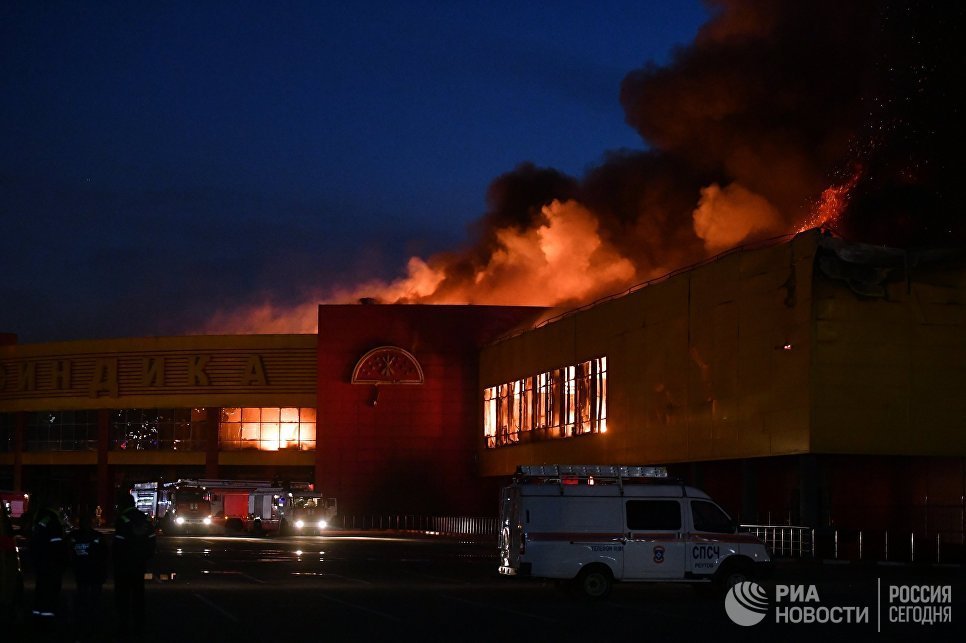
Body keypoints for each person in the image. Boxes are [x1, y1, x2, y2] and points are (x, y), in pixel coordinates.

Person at [112, 490, 156, 636]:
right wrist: (147, 555)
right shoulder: (143, 518)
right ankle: (139, 625)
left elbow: (118, 542)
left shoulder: (123, 519)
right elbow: (151, 537)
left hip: (124, 564)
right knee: (138, 595)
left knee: (123, 596)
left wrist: (115, 560)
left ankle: (123, 625)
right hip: (139, 563)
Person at [28, 491, 68, 621]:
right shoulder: (52, 519)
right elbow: (56, 544)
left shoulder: (40, 517)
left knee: (41, 589)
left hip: (41, 560)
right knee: (51, 591)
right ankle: (48, 619)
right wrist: (62, 560)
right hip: (51, 562)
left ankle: (37, 616)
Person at [69, 511, 107, 641]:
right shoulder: (95, 536)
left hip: (88, 571)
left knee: (87, 598)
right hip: (89, 571)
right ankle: (89, 624)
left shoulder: (74, 536)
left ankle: (87, 624)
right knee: (88, 598)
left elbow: (105, 555)